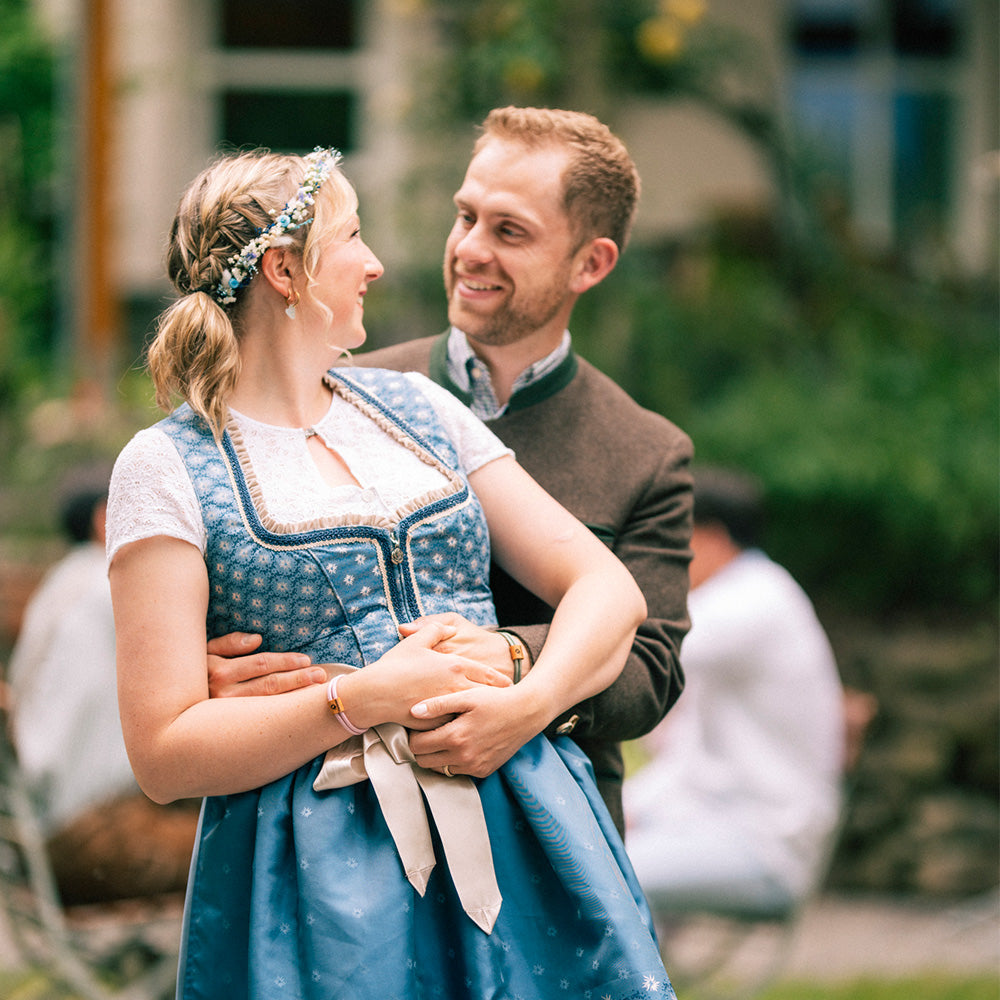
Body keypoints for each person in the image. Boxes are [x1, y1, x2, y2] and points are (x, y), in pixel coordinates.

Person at [106, 146, 675, 997]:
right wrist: (356, 698)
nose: (375, 263)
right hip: (318, 860)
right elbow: (162, 752)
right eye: (353, 235)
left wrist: (522, 706)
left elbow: (607, 590)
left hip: (522, 809)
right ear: (285, 270)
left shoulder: (418, 409)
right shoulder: (166, 466)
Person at [208, 106, 695, 836]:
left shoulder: (644, 451)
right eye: (465, 217)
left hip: (555, 828)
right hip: (338, 823)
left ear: (590, 263)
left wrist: (512, 664)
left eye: (510, 231)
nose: (469, 249)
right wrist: (208, 674)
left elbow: (651, 668)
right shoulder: (339, 390)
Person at [623, 466, 845, 917]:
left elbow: (627, 658)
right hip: (719, 826)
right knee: (588, 857)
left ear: (709, 538)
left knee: (601, 879)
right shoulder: (748, 597)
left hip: (764, 845)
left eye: (665, 538)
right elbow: (687, 760)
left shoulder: (752, 604)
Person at [7, 478, 198, 904]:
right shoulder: (115, 586)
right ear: (103, 519)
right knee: (259, 840)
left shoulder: (63, 584)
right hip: (94, 835)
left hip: (43, 833)